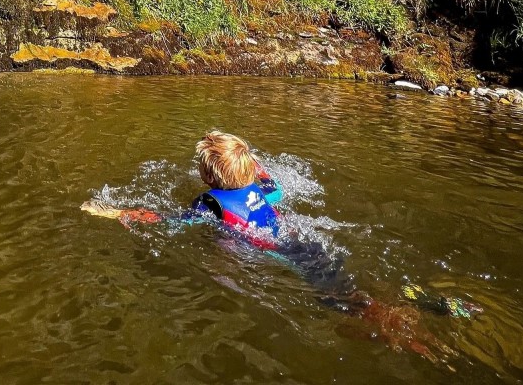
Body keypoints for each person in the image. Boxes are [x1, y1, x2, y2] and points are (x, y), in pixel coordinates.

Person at [82, 131, 478, 350]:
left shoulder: (211, 206)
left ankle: (402, 328)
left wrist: (122, 213)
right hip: (307, 241)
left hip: (287, 257)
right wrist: (251, 162)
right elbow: (270, 181)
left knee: (345, 300)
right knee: (350, 280)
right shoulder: (264, 189)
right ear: (250, 170)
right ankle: (430, 302)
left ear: (207, 180)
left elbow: (171, 224)